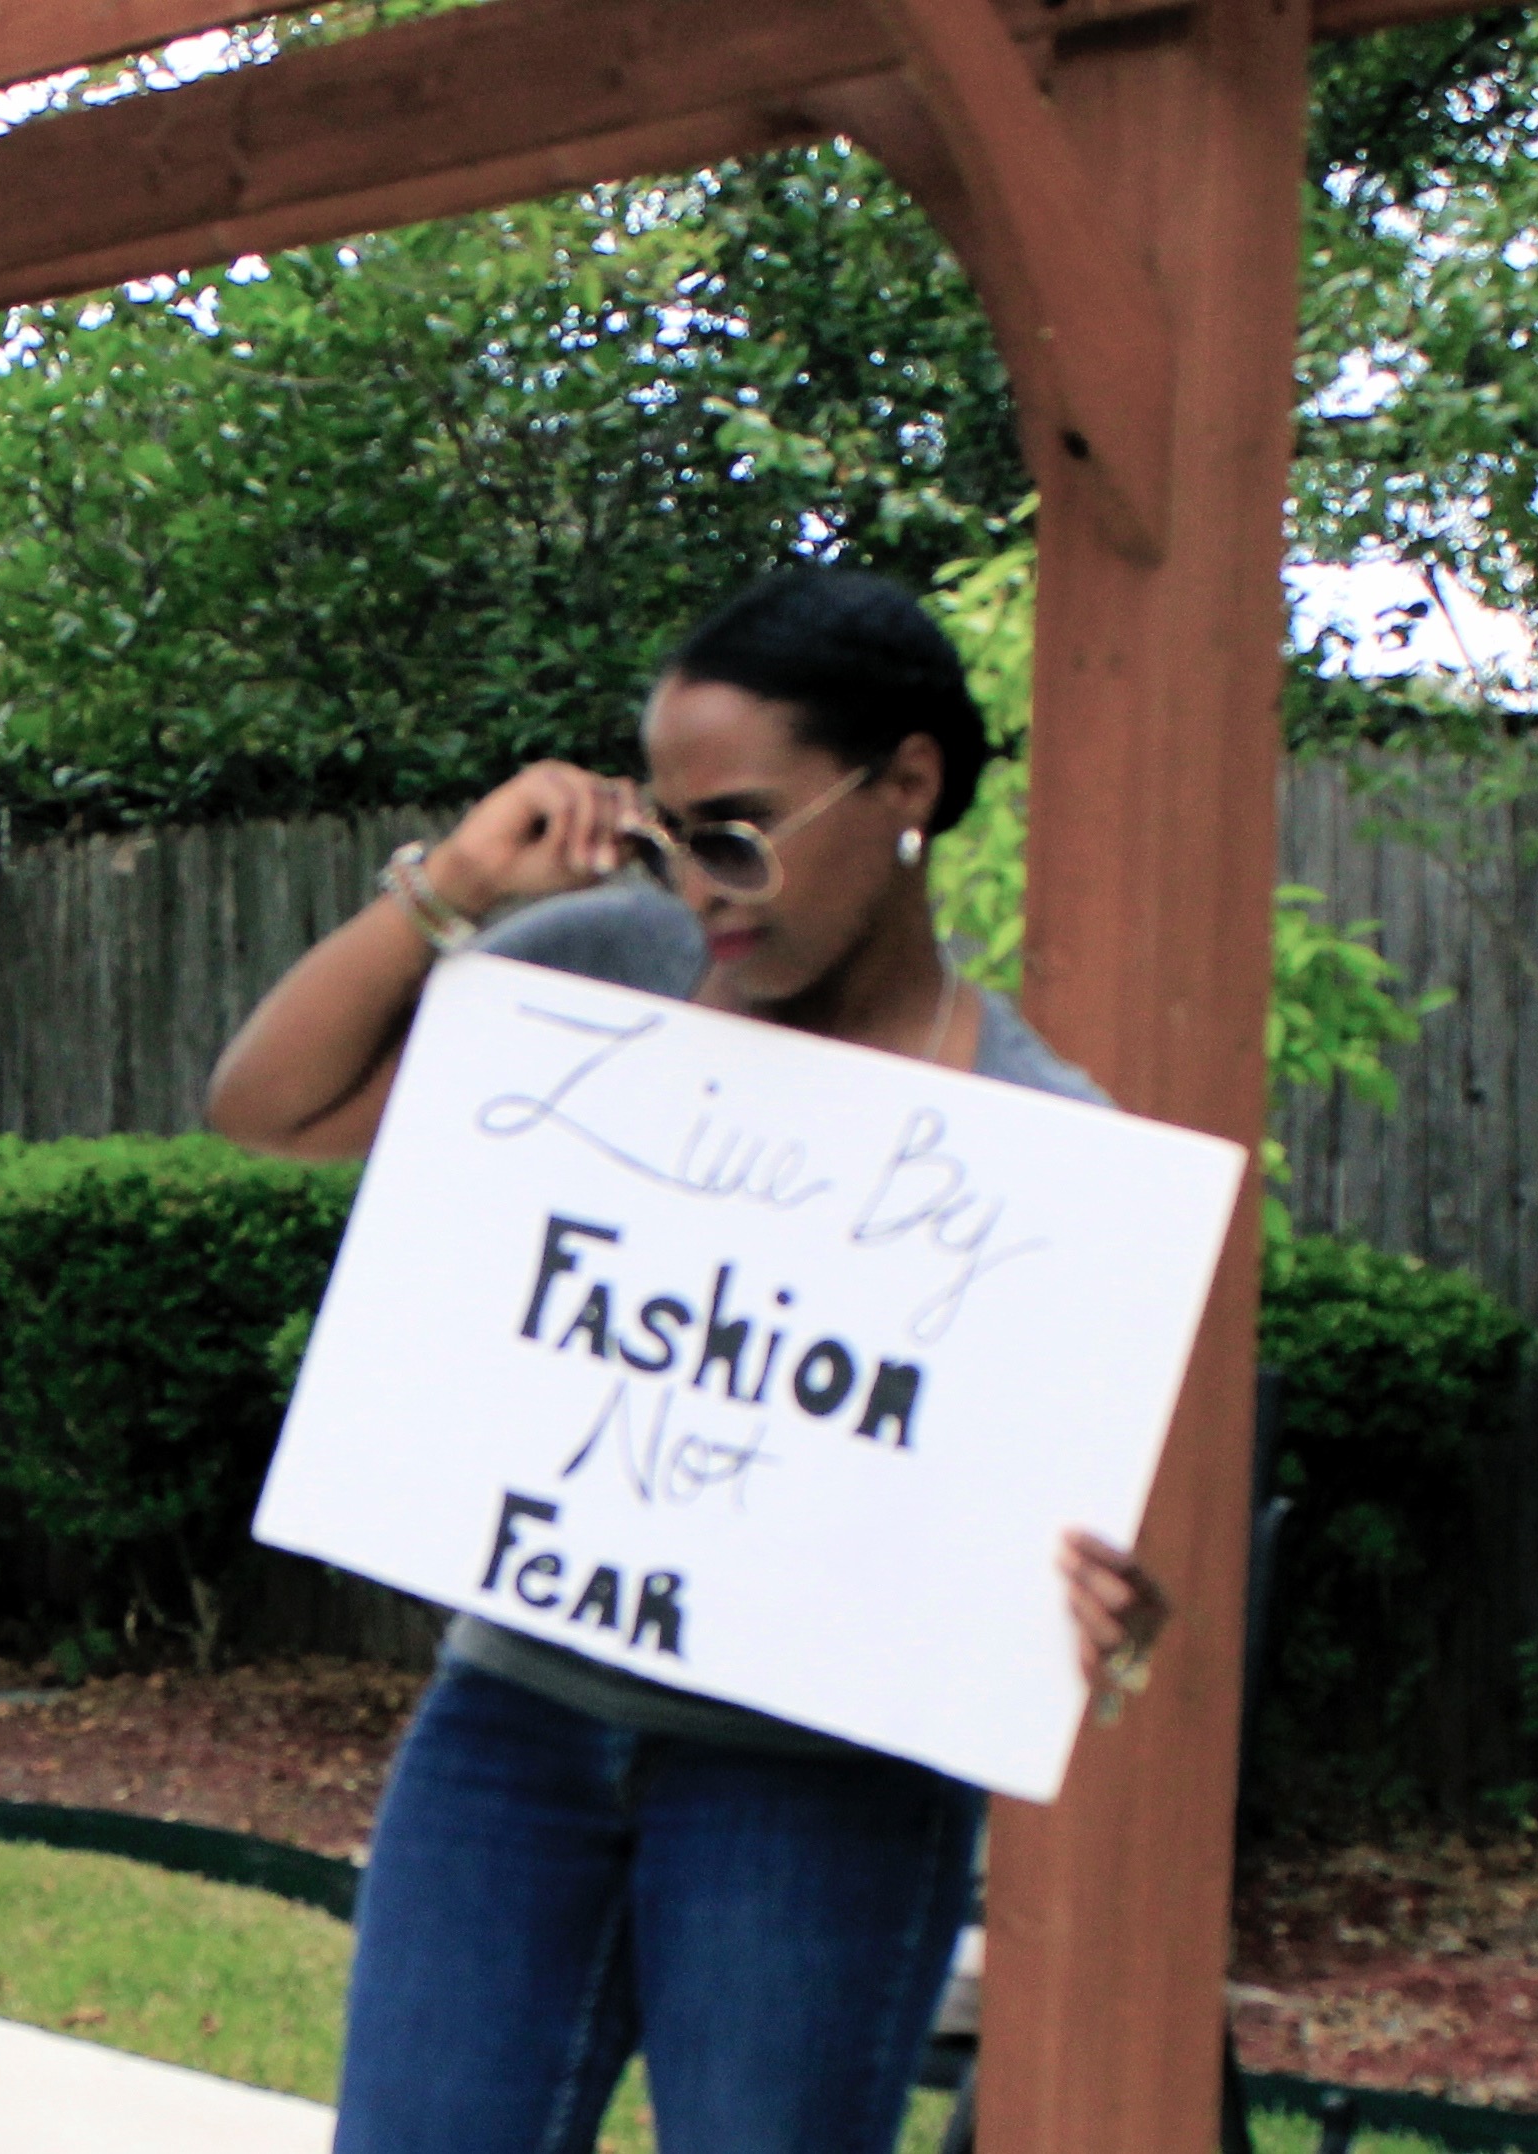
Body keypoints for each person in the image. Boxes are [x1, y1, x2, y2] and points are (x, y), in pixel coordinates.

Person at [204, 567, 1172, 2154]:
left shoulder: (1038, 1152)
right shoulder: (600, 971)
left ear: (906, 782)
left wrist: (1096, 1610)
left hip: (818, 1790)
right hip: (512, 1724)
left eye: (738, 831)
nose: (702, 883)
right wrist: (453, 882)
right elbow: (269, 1103)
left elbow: (1068, 1552)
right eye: (669, 835)